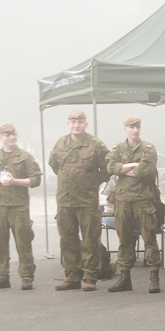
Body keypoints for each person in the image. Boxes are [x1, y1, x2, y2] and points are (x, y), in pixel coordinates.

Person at [48, 109, 109, 292]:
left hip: (87, 201)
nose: (76, 125)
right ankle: (72, 276)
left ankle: (90, 277)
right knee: (68, 240)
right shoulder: (60, 143)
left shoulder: (96, 145)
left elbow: (107, 169)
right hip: (65, 201)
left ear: (86, 124)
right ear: (68, 124)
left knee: (90, 240)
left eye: (80, 122)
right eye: (73, 122)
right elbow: (55, 165)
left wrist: (90, 182)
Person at [0, 124, 41, 290]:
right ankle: (2, 276)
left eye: (13, 134)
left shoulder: (25, 157)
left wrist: (15, 182)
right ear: (0, 138)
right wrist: (0, 180)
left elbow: (35, 180)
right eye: (7, 135)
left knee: (24, 241)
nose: (11, 138)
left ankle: (27, 276)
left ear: (17, 135)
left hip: (19, 206)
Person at [105, 115, 160, 294]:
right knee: (124, 240)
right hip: (122, 201)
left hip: (143, 200)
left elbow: (145, 170)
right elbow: (110, 167)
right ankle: (125, 278)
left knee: (149, 238)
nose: (135, 130)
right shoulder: (117, 148)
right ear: (125, 129)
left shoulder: (148, 148)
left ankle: (154, 277)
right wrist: (132, 166)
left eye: (137, 127)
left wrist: (123, 169)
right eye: (131, 127)